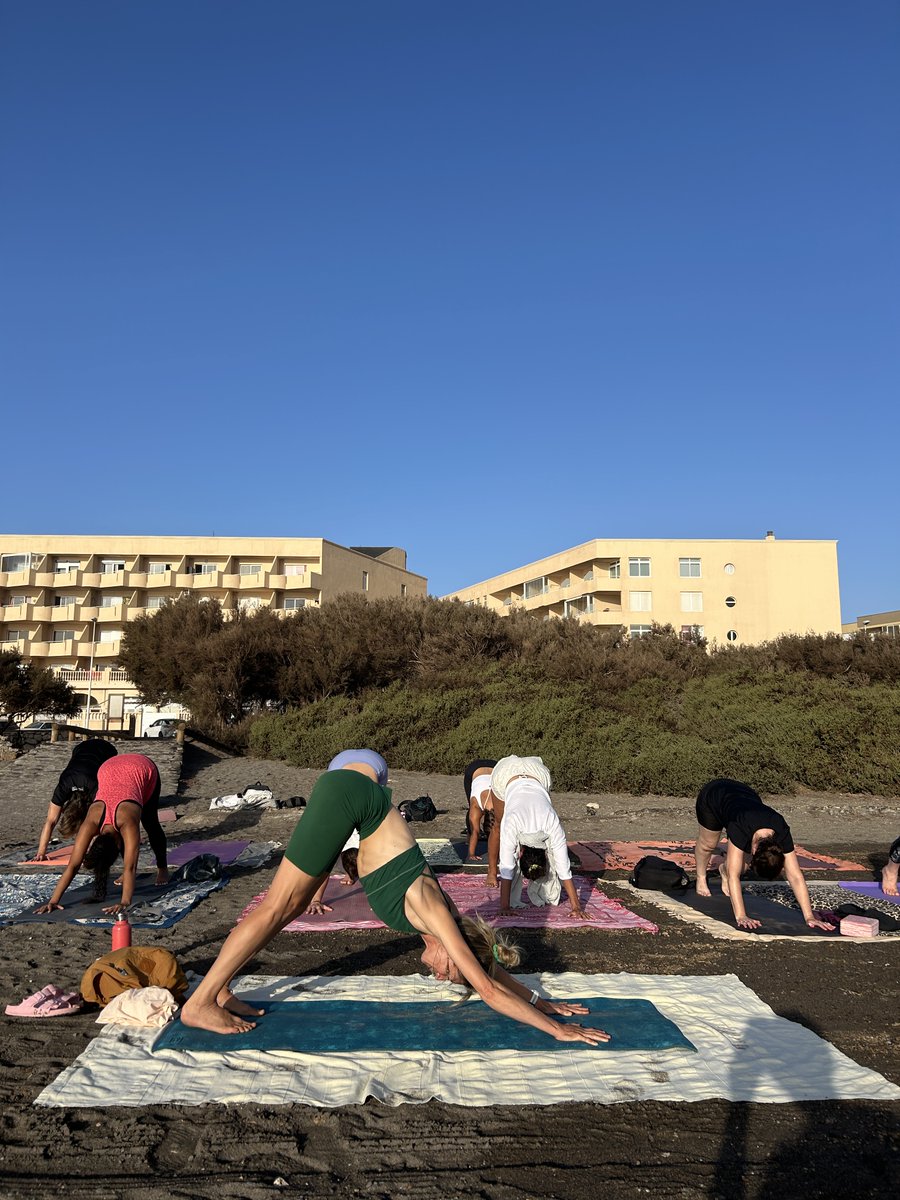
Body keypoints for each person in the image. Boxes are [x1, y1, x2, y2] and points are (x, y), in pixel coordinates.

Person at [180, 751, 610, 1043]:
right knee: (281, 906)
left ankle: (219, 993)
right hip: (351, 797)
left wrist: (542, 1000)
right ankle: (201, 1003)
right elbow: (486, 986)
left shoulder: (441, 927)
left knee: (287, 908)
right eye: (449, 972)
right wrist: (556, 1030)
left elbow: (485, 969)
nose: (441, 977)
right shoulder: (435, 914)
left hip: (357, 798)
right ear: (452, 951)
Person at [34, 753, 169, 915]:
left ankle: (163, 868)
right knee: (142, 830)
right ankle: (159, 869)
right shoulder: (91, 821)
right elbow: (74, 865)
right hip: (108, 767)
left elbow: (130, 867)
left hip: (141, 767)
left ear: (118, 845)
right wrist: (53, 901)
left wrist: (125, 902)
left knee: (150, 822)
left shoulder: (127, 820)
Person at [693, 777, 833, 931]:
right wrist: (741, 916)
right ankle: (701, 876)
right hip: (714, 796)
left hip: (746, 796)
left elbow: (795, 876)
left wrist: (809, 916)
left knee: (742, 867)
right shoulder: (739, 827)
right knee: (709, 845)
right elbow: (734, 876)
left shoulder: (781, 830)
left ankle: (722, 869)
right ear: (754, 851)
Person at [487, 755, 591, 920]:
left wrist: (505, 906)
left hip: (539, 774)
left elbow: (508, 867)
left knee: (499, 827)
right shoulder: (527, 821)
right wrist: (576, 907)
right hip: (507, 774)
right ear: (521, 853)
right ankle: (491, 871)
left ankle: (491, 872)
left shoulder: (550, 821)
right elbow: (563, 869)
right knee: (498, 825)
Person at [35, 738, 119, 859]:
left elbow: (102, 821)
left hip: (107, 750)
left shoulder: (95, 787)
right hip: (80, 749)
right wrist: (41, 853)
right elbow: (51, 821)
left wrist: (92, 848)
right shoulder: (63, 786)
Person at [463, 758, 497, 862]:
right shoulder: (476, 807)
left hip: (495, 768)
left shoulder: (499, 805)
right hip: (474, 769)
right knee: (471, 812)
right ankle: (468, 839)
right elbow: (476, 832)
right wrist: (471, 854)